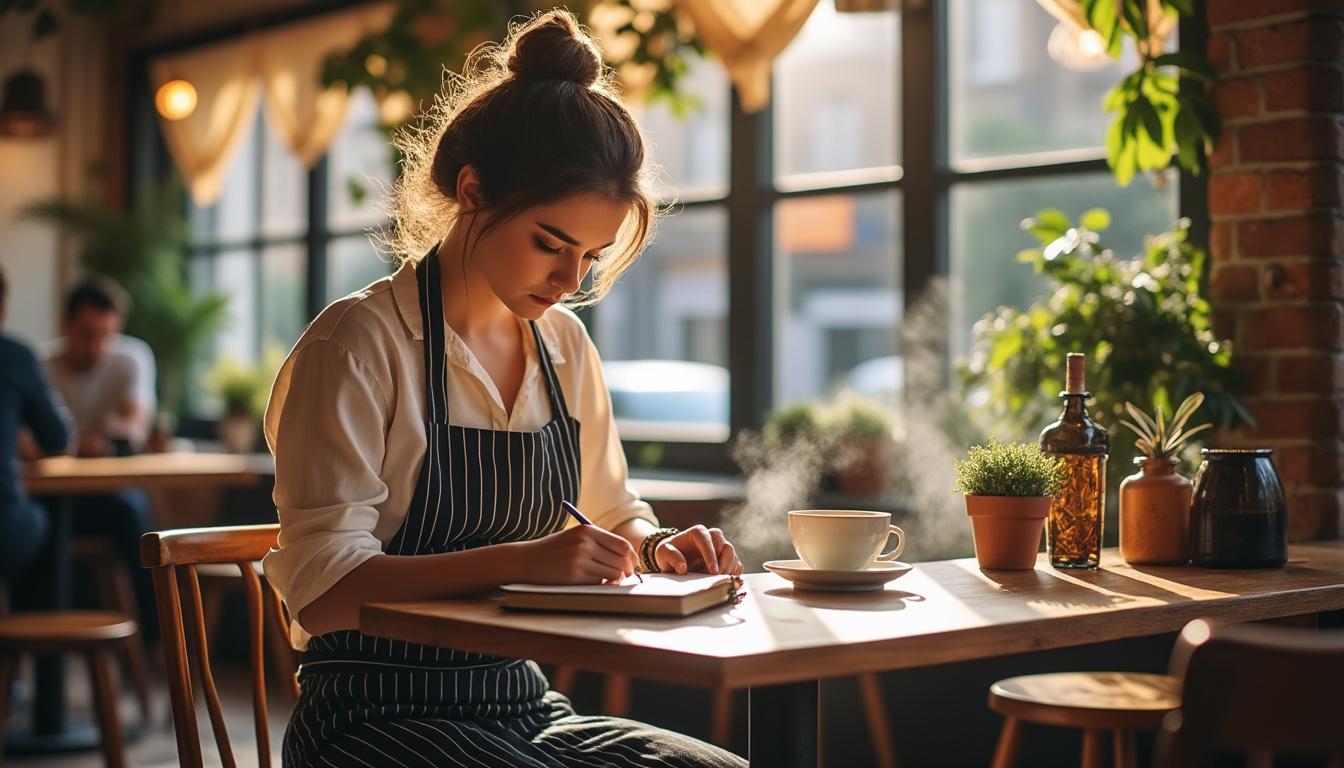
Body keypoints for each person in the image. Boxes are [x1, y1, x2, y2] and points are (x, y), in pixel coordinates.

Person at [263, 11, 747, 768]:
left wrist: (656, 549)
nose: (569, 281)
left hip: (523, 707)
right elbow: (322, 596)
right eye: (550, 243)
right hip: (370, 717)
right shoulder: (359, 345)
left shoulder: (563, 348)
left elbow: (611, 511)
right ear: (472, 191)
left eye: (589, 256)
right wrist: (521, 559)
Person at [38, 276, 158, 640]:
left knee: (136, 517)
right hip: (54, 497)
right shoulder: (41, 366)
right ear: (65, 325)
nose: (97, 347)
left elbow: (135, 423)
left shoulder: (131, 356)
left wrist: (101, 433)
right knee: (39, 525)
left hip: (107, 497)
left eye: (107, 335)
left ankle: (154, 640)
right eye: (88, 334)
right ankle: (47, 647)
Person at [0, 264, 70, 583]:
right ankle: (38, 630)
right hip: (6, 531)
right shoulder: (14, 356)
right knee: (43, 517)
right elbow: (57, 437)